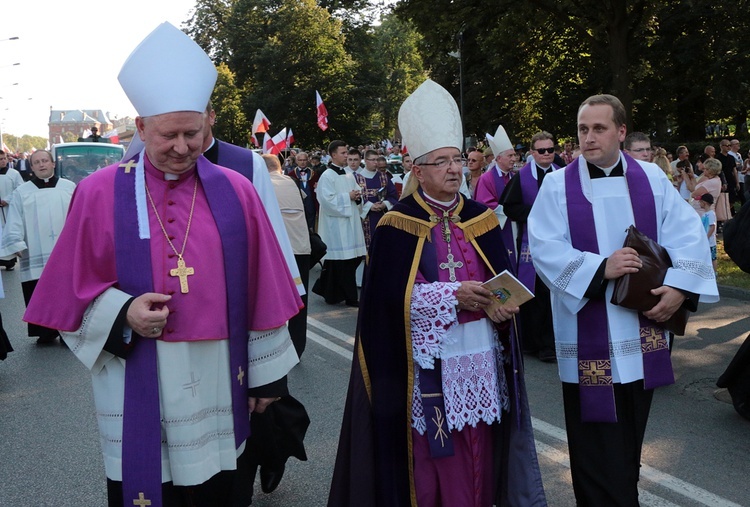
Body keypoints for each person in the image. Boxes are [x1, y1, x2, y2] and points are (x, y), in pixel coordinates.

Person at [23, 22, 302, 507]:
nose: (181, 147)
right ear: (140, 129)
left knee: (218, 487)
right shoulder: (98, 192)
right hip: (135, 372)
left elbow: (266, 288)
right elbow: (68, 286)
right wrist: (121, 312)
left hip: (219, 373)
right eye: (168, 135)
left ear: (208, 124)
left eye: (192, 134)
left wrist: (268, 379)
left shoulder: (237, 192)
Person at [328, 78, 545, 507]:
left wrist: (503, 308)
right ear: (418, 170)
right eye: (442, 161)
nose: (453, 169)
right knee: (432, 459)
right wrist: (449, 297)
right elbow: (384, 304)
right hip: (427, 363)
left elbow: (504, 284)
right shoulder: (396, 224)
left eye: (458, 160)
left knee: (481, 449)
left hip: (481, 355)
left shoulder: (482, 217)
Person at [527, 94, 719, 506]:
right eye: (583, 129)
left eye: (599, 128)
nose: (589, 137)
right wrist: (601, 268)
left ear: (621, 131)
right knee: (595, 444)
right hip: (586, 338)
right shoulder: (558, 185)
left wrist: (680, 289)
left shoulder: (651, 178)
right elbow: (543, 246)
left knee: (630, 435)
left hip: (643, 330)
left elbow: (687, 234)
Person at [201, 101, 304, 296]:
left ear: (211, 116)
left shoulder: (249, 163)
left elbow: (270, 226)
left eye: (196, 113)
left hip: (237, 282)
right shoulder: (146, 168)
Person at [1, 149, 76, 345]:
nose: (41, 164)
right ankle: (45, 330)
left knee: (66, 290)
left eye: (45, 161)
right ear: (32, 167)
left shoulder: (69, 187)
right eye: (37, 162)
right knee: (38, 290)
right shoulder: (22, 192)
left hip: (65, 250)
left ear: (53, 164)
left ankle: (69, 331)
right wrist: (15, 242)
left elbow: (80, 217)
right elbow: (14, 218)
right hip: (34, 250)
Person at [500, 130, 561, 362]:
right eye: (542, 150)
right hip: (530, 243)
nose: (547, 154)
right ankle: (532, 342)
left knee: (553, 293)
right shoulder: (522, 177)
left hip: (558, 242)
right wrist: (537, 214)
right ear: (533, 153)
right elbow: (509, 207)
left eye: (550, 150)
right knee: (534, 293)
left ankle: (549, 344)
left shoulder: (562, 173)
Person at [312, 140, 366, 307]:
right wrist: (347, 197)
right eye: (343, 153)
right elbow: (325, 200)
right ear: (333, 155)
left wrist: (358, 196)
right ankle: (350, 297)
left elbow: (357, 192)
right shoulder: (327, 176)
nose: (346, 156)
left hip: (350, 223)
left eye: (346, 152)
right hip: (336, 226)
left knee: (351, 259)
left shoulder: (348, 174)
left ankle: (327, 290)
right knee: (342, 262)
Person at [475, 125, 518, 274]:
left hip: (516, 228)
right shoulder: (487, 179)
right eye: (510, 156)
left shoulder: (516, 176)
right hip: (500, 229)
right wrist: (511, 210)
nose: (514, 159)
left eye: (514, 155)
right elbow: (483, 205)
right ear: (499, 158)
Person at [357, 149, 398, 250]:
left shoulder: (384, 177)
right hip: (364, 219)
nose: (376, 163)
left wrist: (384, 204)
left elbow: (393, 195)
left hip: (383, 217)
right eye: (373, 160)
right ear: (365, 160)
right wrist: (370, 206)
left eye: (377, 160)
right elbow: (355, 199)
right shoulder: (356, 178)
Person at [0, 151, 23, 270]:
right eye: (0, 159)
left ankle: (9, 261)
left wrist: (7, 200)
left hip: (9, 209)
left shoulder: (14, 174)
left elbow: (20, 189)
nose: (3, 161)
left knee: (8, 231)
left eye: (4, 158)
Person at [698, 193, 717, 274]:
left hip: (710, 242)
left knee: (713, 257)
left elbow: (712, 226)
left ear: (704, 202)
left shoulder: (711, 214)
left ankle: (714, 272)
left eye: (700, 202)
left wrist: (707, 237)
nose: (699, 203)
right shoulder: (704, 214)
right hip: (705, 240)